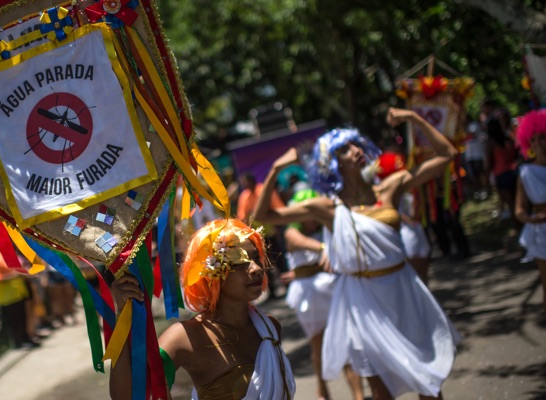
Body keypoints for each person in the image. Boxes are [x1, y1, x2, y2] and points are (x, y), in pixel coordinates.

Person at [254, 108, 460, 399]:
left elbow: (447, 154)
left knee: (429, 381)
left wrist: (414, 119)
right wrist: (276, 169)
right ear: (331, 164)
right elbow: (264, 215)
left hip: (405, 291)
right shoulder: (328, 208)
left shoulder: (389, 188)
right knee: (381, 390)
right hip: (364, 303)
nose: (355, 152)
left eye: (355, 145)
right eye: (344, 150)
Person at [109, 219, 296, 399]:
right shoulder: (186, 337)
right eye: (239, 261)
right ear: (211, 274)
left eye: (255, 257)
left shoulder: (270, 328)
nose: (256, 268)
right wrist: (123, 317)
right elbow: (128, 395)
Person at [282, 186, 364, 400]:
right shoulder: (292, 231)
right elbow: (299, 242)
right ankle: (322, 390)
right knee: (317, 345)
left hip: (334, 290)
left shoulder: (327, 226)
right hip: (311, 298)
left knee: (347, 342)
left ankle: (358, 395)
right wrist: (323, 248)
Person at [377, 151, 432, 284]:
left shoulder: (407, 186)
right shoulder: (383, 190)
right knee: (413, 277)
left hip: (415, 231)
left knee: (422, 273)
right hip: (404, 234)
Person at [514, 109, 546, 311]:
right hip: (542, 232)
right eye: (534, 139)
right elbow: (519, 210)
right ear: (529, 144)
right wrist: (532, 220)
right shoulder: (526, 173)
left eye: (543, 137)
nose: (540, 143)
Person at [0, 249, 39, 349]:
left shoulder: (10, 255)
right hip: (8, 298)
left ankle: (26, 339)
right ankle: (19, 342)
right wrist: (14, 275)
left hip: (18, 293)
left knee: (23, 318)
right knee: (15, 321)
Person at [486, 114, 520, 221]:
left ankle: (519, 227)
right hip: (514, 172)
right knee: (517, 202)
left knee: (511, 204)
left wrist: (488, 179)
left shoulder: (491, 143)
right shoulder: (508, 139)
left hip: (501, 175)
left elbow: (489, 162)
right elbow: (516, 153)